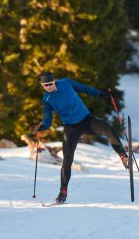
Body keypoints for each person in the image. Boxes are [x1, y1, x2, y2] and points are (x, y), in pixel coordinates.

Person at [34, 71, 128, 203]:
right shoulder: (47, 100)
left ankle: (123, 156)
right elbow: (47, 117)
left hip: (86, 120)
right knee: (67, 160)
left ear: (54, 80)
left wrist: (100, 93)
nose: (48, 87)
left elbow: (84, 88)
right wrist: (44, 126)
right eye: (45, 85)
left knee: (108, 129)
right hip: (71, 127)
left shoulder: (66, 83)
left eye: (50, 84)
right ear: (42, 85)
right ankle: (63, 192)